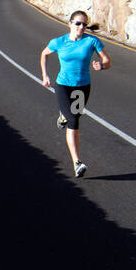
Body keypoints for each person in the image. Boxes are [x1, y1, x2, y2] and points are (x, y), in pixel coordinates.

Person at [40, 10, 111, 177]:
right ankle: (77, 163)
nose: (81, 27)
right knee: (73, 121)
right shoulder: (59, 42)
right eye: (78, 23)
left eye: (84, 24)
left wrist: (101, 66)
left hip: (82, 87)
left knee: (74, 118)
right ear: (70, 23)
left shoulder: (92, 41)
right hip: (63, 85)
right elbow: (44, 54)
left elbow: (108, 61)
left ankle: (63, 116)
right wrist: (45, 75)